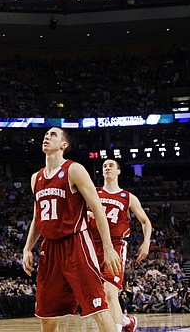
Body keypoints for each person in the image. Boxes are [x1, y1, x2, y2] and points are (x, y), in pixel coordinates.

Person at [22, 127, 122, 332]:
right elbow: (36, 218)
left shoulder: (74, 170)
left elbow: (98, 209)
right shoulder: (35, 178)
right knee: (46, 316)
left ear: (64, 145)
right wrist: (27, 248)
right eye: (45, 135)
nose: (46, 137)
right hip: (49, 248)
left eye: (53, 135)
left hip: (76, 243)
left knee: (98, 308)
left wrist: (108, 247)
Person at [88, 159, 152, 332]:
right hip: (92, 246)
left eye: (111, 166)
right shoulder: (94, 192)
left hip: (115, 246)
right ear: (102, 172)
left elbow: (145, 222)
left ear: (118, 172)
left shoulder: (127, 197)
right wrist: (87, 213)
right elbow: (78, 213)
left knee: (110, 293)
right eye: (104, 166)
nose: (107, 168)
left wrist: (146, 242)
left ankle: (117, 328)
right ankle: (124, 321)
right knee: (95, 298)